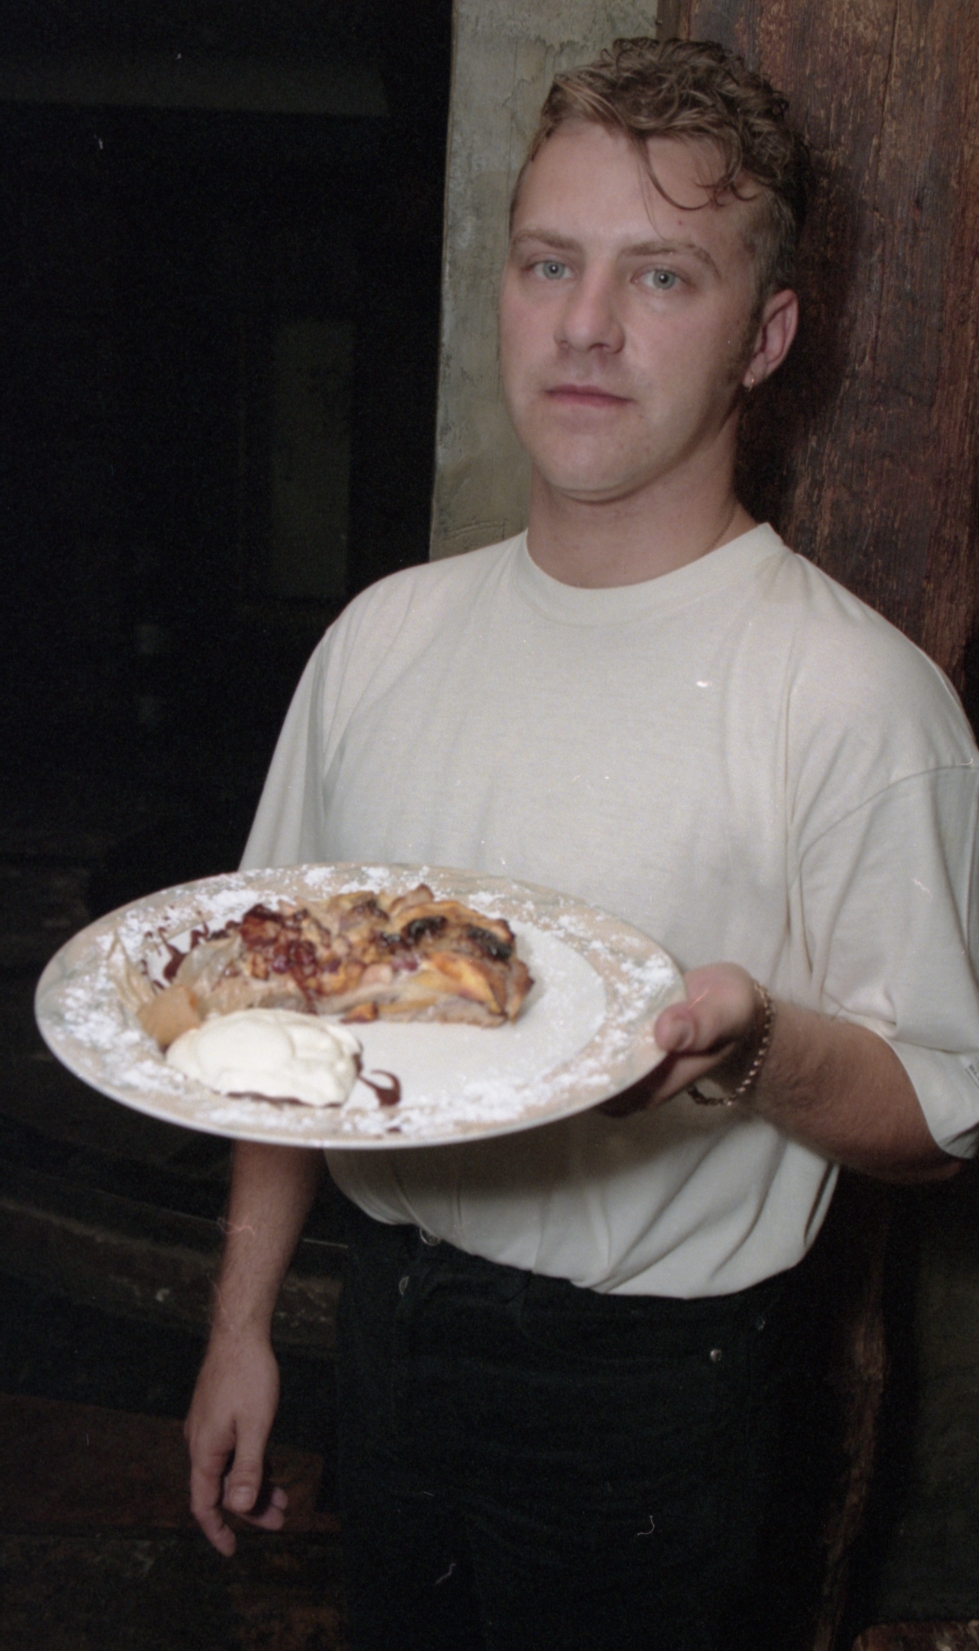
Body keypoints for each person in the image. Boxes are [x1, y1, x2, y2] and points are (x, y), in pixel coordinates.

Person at [185, 37, 979, 1650]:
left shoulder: (855, 696)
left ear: (767, 337)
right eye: (550, 263)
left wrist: (754, 1048)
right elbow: (284, 1018)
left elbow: (939, 1113)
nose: (587, 326)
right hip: (389, 1325)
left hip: (653, 1397)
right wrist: (244, 1321)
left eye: (661, 277)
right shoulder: (381, 640)